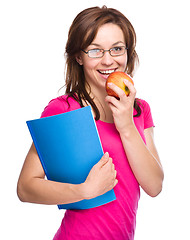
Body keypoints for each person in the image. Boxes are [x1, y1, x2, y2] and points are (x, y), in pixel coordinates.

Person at [17, 6, 164, 240]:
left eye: (117, 49)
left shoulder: (139, 109)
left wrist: (126, 126)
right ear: (79, 56)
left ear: (128, 52)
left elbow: (154, 186)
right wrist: (83, 191)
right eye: (95, 51)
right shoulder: (63, 109)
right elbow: (25, 187)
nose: (108, 60)